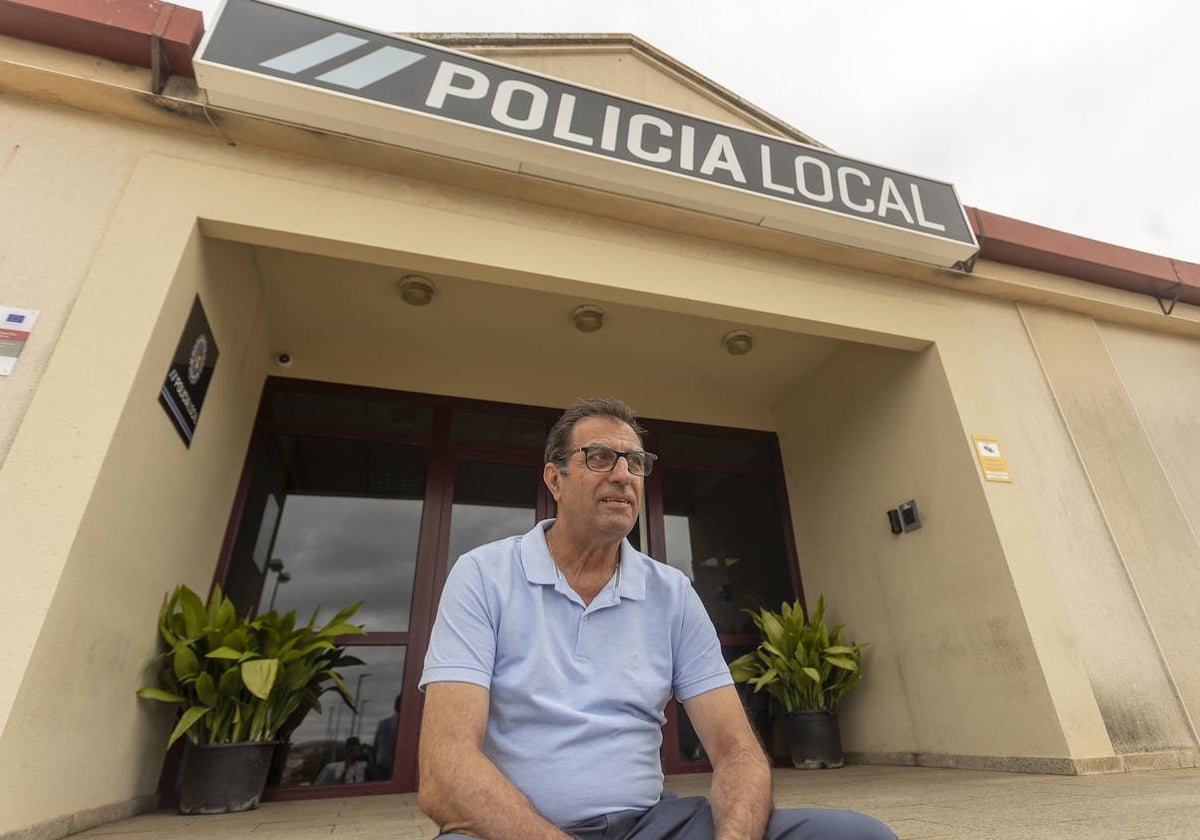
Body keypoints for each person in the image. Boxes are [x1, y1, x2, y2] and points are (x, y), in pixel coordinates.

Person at [418, 397, 895, 840]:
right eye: (600, 457)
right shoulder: (483, 574)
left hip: (651, 825)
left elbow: (737, 752)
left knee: (857, 836)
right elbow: (445, 768)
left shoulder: (671, 592)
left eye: (637, 463)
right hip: (513, 829)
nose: (624, 475)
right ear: (554, 479)